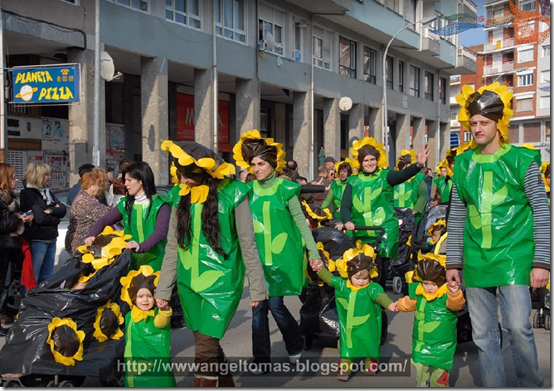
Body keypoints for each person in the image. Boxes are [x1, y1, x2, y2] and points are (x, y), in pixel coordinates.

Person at [446, 82, 550, 387]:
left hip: (515, 257)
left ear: (498, 124)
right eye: (473, 123)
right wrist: (454, 261)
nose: (477, 129)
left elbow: (542, 211)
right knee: (483, 335)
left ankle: (530, 384)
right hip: (477, 259)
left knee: (519, 327)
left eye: (484, 123)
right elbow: (457, 215)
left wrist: (542, 262)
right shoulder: (463, 164)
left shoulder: (522, 160)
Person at [155, 140, 266, 387]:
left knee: (205, 349)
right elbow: (172, 248)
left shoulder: (235, 194)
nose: (181, 182)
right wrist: (163, 289)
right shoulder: (178, 196)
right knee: (208, 345)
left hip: (222, 286)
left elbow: (248, 244)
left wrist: (257, 287)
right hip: (188, 285)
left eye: (186, 177)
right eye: (180, 176)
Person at [233, 129, 322, 372]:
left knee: (275, 305)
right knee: (258, 307)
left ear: (272, 164)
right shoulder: (246, 192)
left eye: (261, 163)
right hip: (257, 260)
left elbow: (301, 223)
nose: (256, 168)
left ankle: (294, 343)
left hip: (282, 259)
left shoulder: (285, 189)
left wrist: (313, 253)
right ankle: (261, 360)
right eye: (252, 164)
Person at [340, 137, 429, 288]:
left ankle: (379, 303)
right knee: (362, 270)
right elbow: (345, 205)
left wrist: (418, 165)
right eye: (366, 160)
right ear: (360, 163)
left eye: (372, 159)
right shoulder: (352, 182)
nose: (370, 163)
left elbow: (403, 175)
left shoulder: (385, 176)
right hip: (362, 232)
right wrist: (347, 220)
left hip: (384, 232)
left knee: (379, 270)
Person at [311, 243, 397, 381]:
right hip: (349, 326)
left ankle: (371, 362)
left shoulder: (371, 288)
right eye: (358, 278)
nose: (362, 282)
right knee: (347, 345)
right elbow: (329, 278)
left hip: (368, 326)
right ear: (349, 275)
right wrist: (320, 268)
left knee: (370, 343)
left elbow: (380, 296)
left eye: (365, 278)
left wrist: (390, 304)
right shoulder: (342, 285)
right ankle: (345, 367)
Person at [85, 161, 170, 271]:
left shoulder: (160, 204)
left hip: (155, 261)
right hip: (131, 261)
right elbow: (104, 220)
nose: (125, 184)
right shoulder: (126, 204)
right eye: (125, 180)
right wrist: (91, 235)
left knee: (142, 288)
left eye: (129, 180)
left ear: (141, 181)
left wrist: (140, 246)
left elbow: (160, 232)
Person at [396, 253, 466, 387]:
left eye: (433, 284)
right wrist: (398, 305)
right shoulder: (420, 293)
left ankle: (438, 385)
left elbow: (457, 305)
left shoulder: (447, 295)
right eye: (426, 283)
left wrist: (454, 293)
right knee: (419, 363)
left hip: (443, 342)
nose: (429, 287)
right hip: (421, 340)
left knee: (440, 368)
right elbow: (410, 302)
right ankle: (422, 382)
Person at [120, 265, 176, 387]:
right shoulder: (130, 315)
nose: (145, 300)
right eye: (140, 297)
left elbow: (160, 323)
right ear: (133, 298)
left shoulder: (156, 315)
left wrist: (164, 310)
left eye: (149, 296)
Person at [20, 161, 67, 284]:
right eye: (46, 175)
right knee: (33, 276)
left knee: (47, 276)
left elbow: (62, 209)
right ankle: (29, 301)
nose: (49, 177)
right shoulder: (28, 194)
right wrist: (56, 218)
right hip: (37, 239)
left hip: (51, 237)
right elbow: (40, 217)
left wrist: (51, 210)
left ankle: (42, 300)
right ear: (38, 175)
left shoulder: (48, 191)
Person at [0, 164, 33, 335]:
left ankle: (5, 315)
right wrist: (18, 219)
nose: (16, 180)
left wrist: (22, 219)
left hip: (11, 246)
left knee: (7, 285)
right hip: (3, 245)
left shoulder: (10, 199)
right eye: (13, 177)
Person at [65, 168, 112, 255]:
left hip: (81, 243)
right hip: (82, 245)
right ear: (91, 185)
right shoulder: (85, 202)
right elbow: (107, 216)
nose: (99, 188)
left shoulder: (83, 197)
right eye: (98, 185)